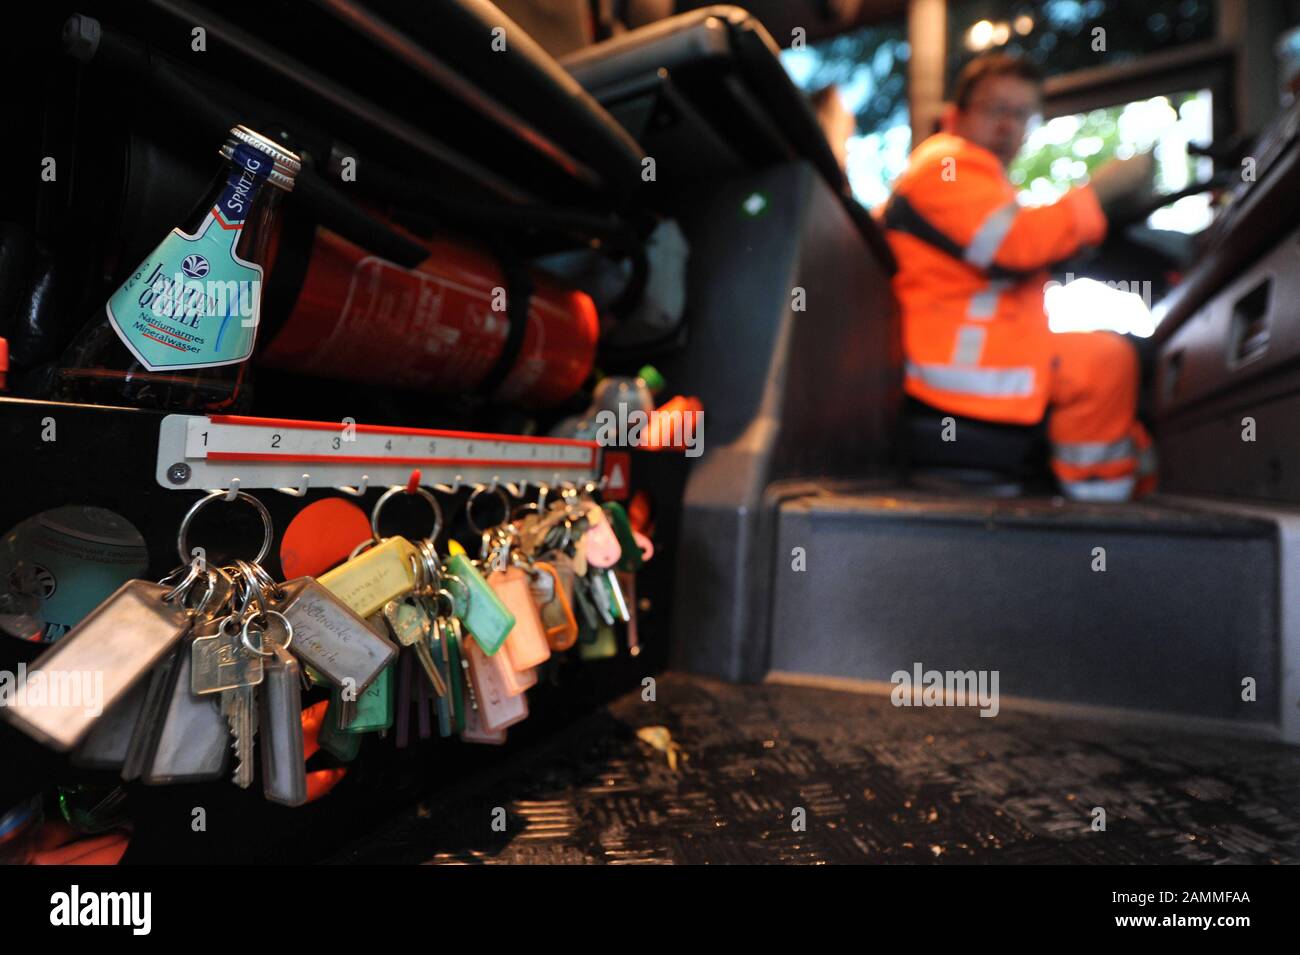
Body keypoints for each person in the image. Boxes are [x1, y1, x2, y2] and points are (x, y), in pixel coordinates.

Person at [880, 53, 1156, 501]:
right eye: (995, 109)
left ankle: (1114, 489)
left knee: (1106, 361)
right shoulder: (946, 164)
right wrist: (1099, 194)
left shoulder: (978, 179)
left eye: (1021, 113)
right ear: (956, 115)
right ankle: (1101, 511)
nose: (1009, 125)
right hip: (963, 369)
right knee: (1105, 360)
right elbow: (1015, 245)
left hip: (973, 357)